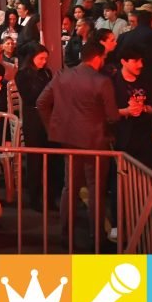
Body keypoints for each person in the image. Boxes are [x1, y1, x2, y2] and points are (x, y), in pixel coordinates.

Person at [36, 41, 118, 249]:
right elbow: (112, 116)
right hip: (95, 141)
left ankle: (66, 234)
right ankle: (97, 237)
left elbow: (41, 103)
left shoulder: (61, 76)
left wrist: (53, 128)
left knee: (69, 187)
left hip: (68, 139)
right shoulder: (102, 81)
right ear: (98, 58)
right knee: (96, 189)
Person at [14, 44, 59, 208]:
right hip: (33, 118)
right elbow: (30, 96)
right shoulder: (22, 75)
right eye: (41, 58)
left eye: (46, 59)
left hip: (48, 117)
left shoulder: (46, 72)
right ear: (31, 58)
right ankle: (34, 197)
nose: (44, 61)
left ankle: (50, 196)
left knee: (52, 158)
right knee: (35, 160)